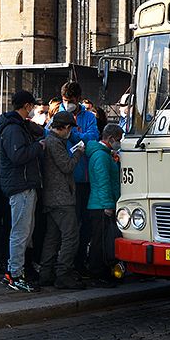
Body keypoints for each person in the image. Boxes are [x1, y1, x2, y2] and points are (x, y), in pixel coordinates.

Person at [0, 89, 46, 293]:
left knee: (23, 232)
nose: (33, 110)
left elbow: (37, 131)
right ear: (27, 106)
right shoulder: (14, 129)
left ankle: (14, 271)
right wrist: (39, 147)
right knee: (20, 233)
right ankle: (15, 274)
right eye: (31, 106)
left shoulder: (17, 125)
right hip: (21, 185)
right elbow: (18, 156)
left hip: (21, 184)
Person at [40, 110, 85, 289]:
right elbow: (67, 166)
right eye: (70, 129)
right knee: (71, 236)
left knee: (52, 237)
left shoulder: (51, 141)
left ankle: (46, 273)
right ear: (65, 127)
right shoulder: (55, 142)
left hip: (51, 198)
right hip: (61, 199)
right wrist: (78, 153)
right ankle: (63, 274)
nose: (70, 132)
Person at [62, 82, 99, 274]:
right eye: (66, 101)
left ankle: (79, 261)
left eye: (71, 101)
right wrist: (79, 137)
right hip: (67, 179)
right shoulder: (58, 115)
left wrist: (75, 134)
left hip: (85, 178)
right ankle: (69, 263)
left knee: (85, 222)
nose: (68, 104)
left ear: (78, 100)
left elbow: (93, 137)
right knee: (71, 224)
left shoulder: (88, 116)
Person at [86, 123, 123, 286]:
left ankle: (100, 271)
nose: (119, 143)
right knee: (100, 242)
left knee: (101, 240)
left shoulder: (103, 154)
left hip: (99, 204)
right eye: (119, 140)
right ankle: (98, 273)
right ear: (111, 139)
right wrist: (109, 204)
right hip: (101, 205)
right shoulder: (101, 156)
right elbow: (103, 182)